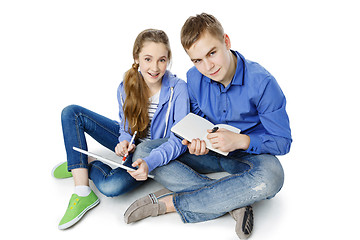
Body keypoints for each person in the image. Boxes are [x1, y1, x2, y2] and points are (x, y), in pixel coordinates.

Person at [124, 13, 292, 239]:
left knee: (273, 176)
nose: (208, 66)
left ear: (227, 42)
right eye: (197, 60)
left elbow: (283, 142)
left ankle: (170, 203)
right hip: (211, 152)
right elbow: (198, 121)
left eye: (212, 53)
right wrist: (197, 142)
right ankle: (235, 200)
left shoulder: (263, 83)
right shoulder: (194, 78)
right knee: (144, 151)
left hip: (249, 156)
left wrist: (242, 141)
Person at [51, 29, 189, 230]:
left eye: (162, 60)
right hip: (135, 143)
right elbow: (125, 127)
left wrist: (149, 161)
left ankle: (81, 164)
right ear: (136, 58)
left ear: (168, 60)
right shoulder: (126, 86)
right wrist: (124, 141)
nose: (155, 67)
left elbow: (179, 140)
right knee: (71, 113)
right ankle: (82, 190)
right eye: (148, 59)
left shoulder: (179, 89)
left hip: (152, 153)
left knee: (110, 186)